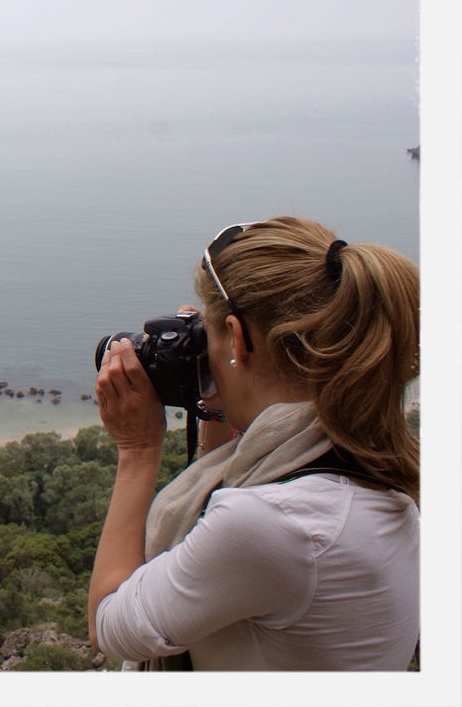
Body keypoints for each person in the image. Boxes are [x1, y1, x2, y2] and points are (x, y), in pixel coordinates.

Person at [87, 216, 420, 671]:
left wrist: (138, 449)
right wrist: (222, 391)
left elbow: (110, 624)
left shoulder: (273, 524)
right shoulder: (370, 462)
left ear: (238, 341)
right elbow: (236, 477)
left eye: (212, 333)